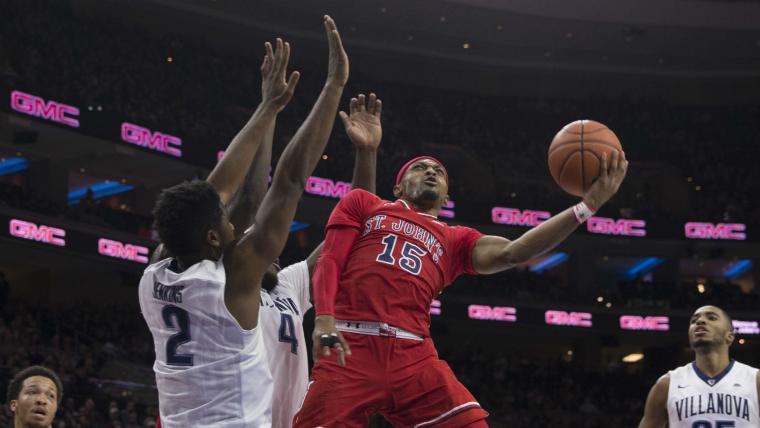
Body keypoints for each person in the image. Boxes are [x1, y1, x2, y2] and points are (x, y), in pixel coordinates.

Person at [294, 131, 628, 426]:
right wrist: (323, 318)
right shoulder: (365, 204)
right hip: (351, 345)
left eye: (438, 171)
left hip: (413, 355)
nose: (430, 172)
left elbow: (515, 251)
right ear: (398, 186)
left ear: (446, 197)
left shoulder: (456, 239)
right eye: (420, 167)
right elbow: (331, 260)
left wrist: (587, 206)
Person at [139, 16, 348, 427]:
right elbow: (288, 182)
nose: (239, 224)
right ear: (214, 237)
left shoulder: (155, 275)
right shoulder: (234, 280)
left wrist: (268, 110)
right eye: (226, 220)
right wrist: (333, 87)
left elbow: (237, 196)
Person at [225, 90, 381, 427]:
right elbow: (256, 195)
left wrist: (366, 154)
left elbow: (348, 233)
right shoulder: (221, 284)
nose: (274, 253)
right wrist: (268, 112)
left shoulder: (287, 285)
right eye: (261, 245)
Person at [639, 305, 760, 428]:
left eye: (712, 318)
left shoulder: (755, 380)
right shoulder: (667, 384)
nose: (700, 321)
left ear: (730, 336)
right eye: (694, 321)